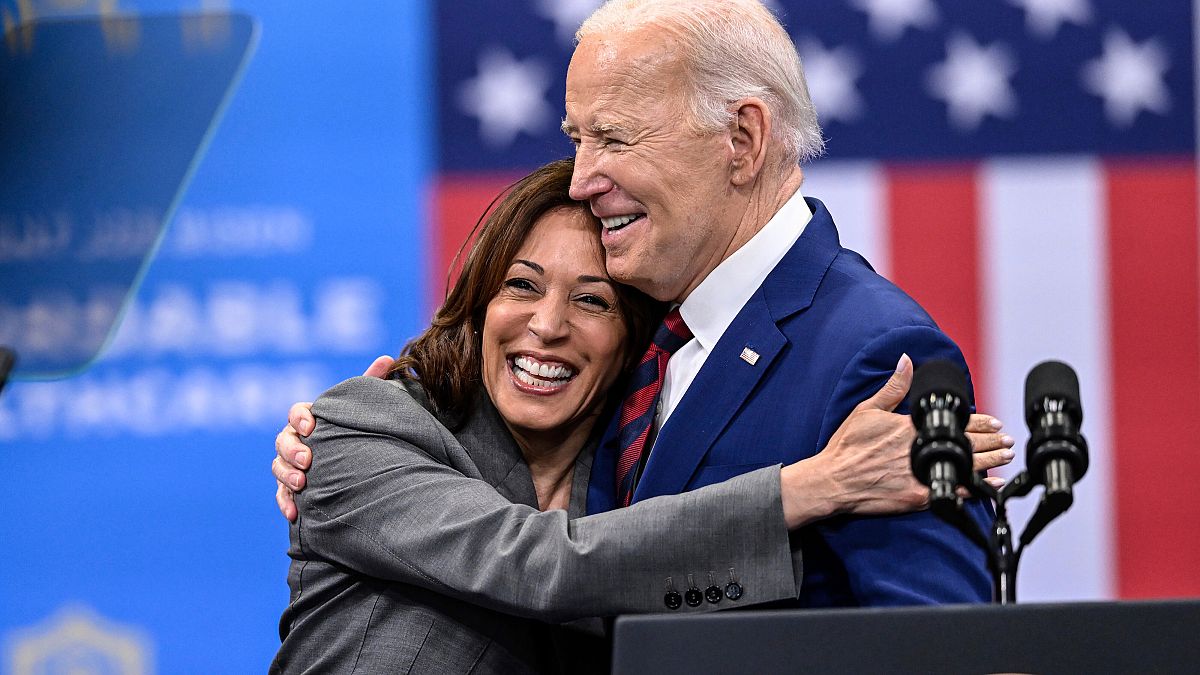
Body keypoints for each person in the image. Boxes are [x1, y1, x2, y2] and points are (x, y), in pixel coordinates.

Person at [271, 159, 1011, 673]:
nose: (547, 325)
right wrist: (816, 485)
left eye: (591, 300)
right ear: (477, 303)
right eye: (520, 286)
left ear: (634, 339)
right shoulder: (358, 428)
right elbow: (543, 563)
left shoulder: (626, 469)